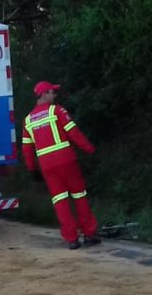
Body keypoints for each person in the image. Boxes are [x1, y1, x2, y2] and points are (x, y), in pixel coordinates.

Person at [22, 81, 101, 249]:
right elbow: (73, 133)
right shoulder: (57, 111)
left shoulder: (28, 120)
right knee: (79, 196)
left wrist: (32, 169)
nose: (55, 95)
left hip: (47, 166)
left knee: (60, 201)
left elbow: (27, 149)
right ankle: (89, 234)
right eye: (52, 92)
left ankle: (72, 239)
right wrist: (90, 149)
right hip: (66, 160)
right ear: (44, 94)